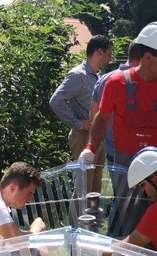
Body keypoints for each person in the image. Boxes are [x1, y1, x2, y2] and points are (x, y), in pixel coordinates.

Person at [81, 22, 157, 237]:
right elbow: (102, 118)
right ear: (147, 57)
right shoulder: (116, 83)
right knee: (129, 215)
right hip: (125, 165)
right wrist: (90, 148)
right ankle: (129, 253)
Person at [89, 40, 142, 236]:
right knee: (129, 200)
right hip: (134, 152)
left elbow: (94, 115)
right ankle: (117, 240)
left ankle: (115, 239)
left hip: (112, 150)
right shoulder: (141, 80)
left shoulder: (105, 79)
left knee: (121, 197)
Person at [50, 34, 113, 194]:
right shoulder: (79, 75)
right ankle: (78, 213)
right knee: (83, 191)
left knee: (94, 192)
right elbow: (56, 101)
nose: (110, 59)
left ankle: (92, 213)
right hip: (83, 137)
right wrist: (78, 123)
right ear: (99, 52)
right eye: (108, 54)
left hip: (96, 137)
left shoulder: (96, 76)